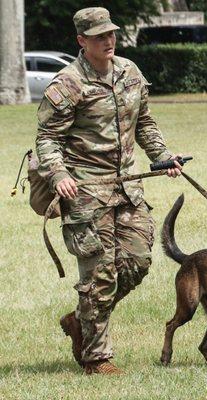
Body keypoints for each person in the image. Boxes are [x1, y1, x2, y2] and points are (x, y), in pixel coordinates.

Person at [36, 7, 182, 375]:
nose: (108, 40)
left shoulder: (129, 72)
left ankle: (80, 320)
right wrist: (58, 175)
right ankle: (97, 357)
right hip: (84, 191)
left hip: (126, 188)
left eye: (111, 33)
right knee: (99, 274)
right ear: (81, 41)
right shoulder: (67, 83)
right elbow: (48, 138)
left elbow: (145, 121)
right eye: (99, 35)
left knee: (137, 263)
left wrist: (163, 156)